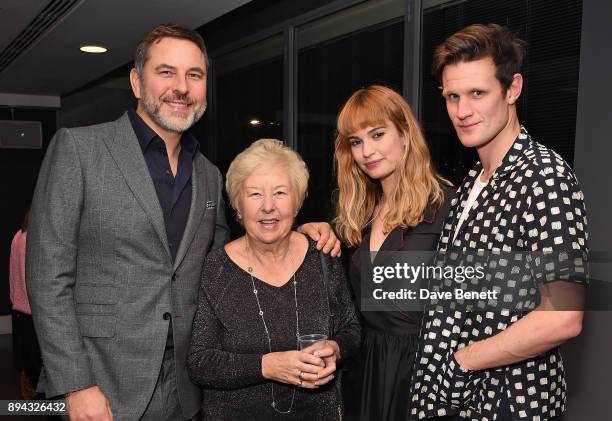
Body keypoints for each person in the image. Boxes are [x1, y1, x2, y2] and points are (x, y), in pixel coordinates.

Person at [26, 25, 339, 421]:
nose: (182, 87)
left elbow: (228, 259)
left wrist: (295, 233)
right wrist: (76, 384)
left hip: (186, 389)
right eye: (166, 72)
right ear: (137, 82)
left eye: (195, 75)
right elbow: (47, 274)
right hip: (101, 382)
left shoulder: (208, 174)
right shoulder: (80, 150)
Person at [410, 24, 588, 420]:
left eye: (477, 93)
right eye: (452, 96)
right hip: (452, 397)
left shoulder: (545, 177)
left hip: (506, 402)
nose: (462, 111)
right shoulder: (473, 179)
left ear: (512, 89)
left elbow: (562, 317)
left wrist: (463, 362)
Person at [187, 139, 361, 420]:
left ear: (298, 201)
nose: (268, 206)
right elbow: (200, 362)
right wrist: (267, 366)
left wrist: (335, 349)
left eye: (280, 193)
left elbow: (351, 328)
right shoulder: (215, 269)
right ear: (237, 204)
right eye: (255, 194)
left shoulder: (322, 256)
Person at [333, 85, 455, 421]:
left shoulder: (446, 207)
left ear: (405, 133)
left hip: (421, 373)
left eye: (377, 134)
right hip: (366, 368)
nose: (366, 151)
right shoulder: (361, 212)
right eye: (356, 142)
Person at [10, 210, 43, 399]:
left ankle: (35, 392)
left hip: (19, 304)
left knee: (27, 355)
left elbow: (13, 272)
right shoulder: (34, 241)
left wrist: (14, 296)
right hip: (33, 306)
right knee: (37, 356)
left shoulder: (17, 237)